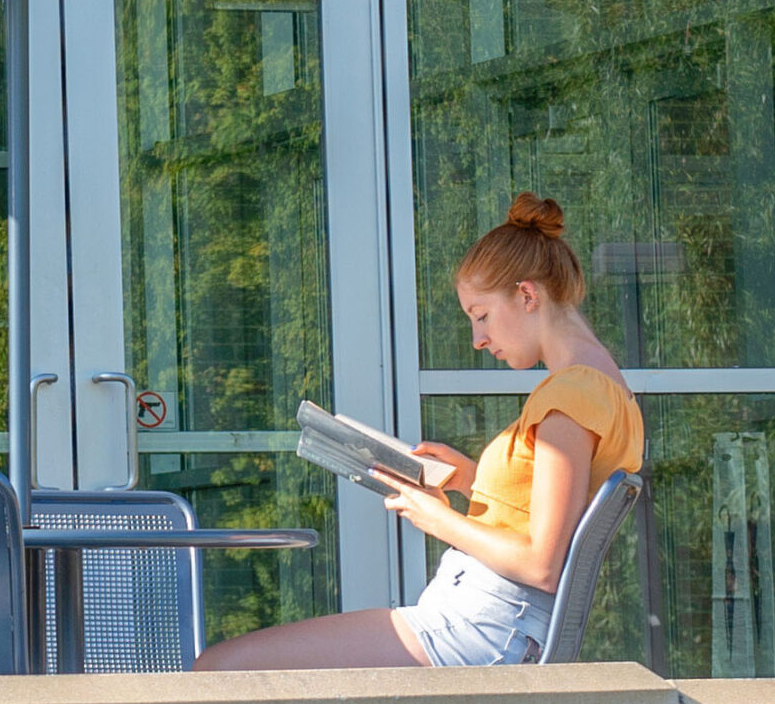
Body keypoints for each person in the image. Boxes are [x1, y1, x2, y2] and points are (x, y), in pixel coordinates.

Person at [196, 193, 642, 670]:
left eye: (482, 315)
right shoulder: (603, 389)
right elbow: (547, 516)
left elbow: (542, 564)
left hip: (482, 629)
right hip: (486, 624)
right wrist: (469, 480)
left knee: (221, 667)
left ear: (527, 296)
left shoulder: (570, 397)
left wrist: (433, 516)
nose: (478, 340)